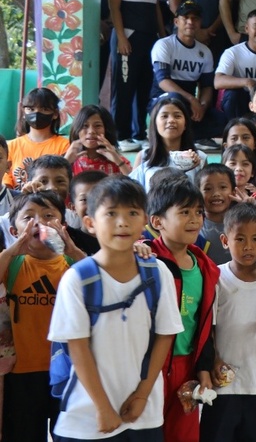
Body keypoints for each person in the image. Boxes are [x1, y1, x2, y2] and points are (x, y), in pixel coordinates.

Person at [47, 177, 184, 442]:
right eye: (111, 213)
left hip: (143, 413)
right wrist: (102, 408)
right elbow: (78, 347)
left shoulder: (158, 273)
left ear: (144, 220)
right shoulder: (77, 279)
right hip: (86, 417)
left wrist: (143, 394)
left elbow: (165, 335)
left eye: (132, 213)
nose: (122, 222)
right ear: (90, 223)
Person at [0, 190, 86, 440]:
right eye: (28, 218)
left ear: (63, 225)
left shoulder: (72, 265)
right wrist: (14, 247)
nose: (38, 223)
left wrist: (73, 249)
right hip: (22, 373)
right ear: (13, 230)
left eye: (49, 216)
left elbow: (99, 283)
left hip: (67, 373)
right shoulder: (13, 264)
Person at [146, 178, 220, 442]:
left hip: (186, 367)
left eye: (198, 212)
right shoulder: (146, 262)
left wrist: (203, 367)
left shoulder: (205, 267)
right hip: (150, 369)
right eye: (184, 212)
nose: (194, 219)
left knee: (184, 435)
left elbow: (205, 324)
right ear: (157, 222)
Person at [199, 203, 256, 442]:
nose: (248, 246)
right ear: (224, 240)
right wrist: (215, 360)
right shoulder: (216, 278)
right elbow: (206, 327)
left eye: (255, 239)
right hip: (224, 384)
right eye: (239, 239)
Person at [108, 0, 167, 148]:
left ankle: (138, 132)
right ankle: (120, 134)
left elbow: (156, 8)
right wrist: (121, 37)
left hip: (149, 39)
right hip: (128, 38)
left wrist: (163, 36)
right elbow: (114, 8)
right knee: (124, 87)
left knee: (144, 86)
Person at [151, 0, 224, 145]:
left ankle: (192, 136)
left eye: (195, 18)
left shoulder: (204, 51)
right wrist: (191, 100)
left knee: (221, 120)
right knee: (175, 101)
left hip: (190, 104)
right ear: (176, 21)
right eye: (186, 18)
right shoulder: (164, 45)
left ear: (199, 22)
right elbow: (163, 81)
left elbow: (207, 86)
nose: (190, 22)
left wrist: (202, 106)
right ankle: (179, 136)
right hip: (164, 98)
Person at [5, 88, 70, 190]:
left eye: (44, 109)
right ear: (24, 111)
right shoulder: (11, 146)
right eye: (31, 109)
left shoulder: (65, 146)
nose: (36, 113)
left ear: (55, 113)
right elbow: (6, 185)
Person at [196, 164, 239, 264]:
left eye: (223, 187)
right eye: (208, 189)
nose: (216, 193)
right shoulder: (194, 227)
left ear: (233, 192)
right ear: (198, 193)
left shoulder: (241, 223)